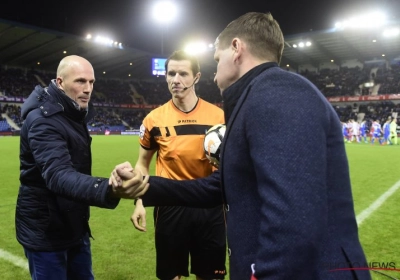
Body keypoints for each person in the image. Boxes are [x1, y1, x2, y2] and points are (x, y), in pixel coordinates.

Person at [112, 12, 371, 280]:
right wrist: (146, 188)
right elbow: (222, 185)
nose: (214, 75)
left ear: (236, 49)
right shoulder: (258, 96)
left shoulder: (278, 95)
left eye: (217, 59)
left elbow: (295, 220)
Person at [16, 55, 148, 280]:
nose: (88, 88)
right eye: (80, 81)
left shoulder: (72, 113)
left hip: (74, 226)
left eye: (92, 82)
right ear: (60, 82)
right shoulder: (43, 120)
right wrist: (107, 188)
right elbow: (58, 175)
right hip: (46, 231)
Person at [131, 50, 226, 280]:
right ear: (165, 77)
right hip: (170, 205)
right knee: (170, 276)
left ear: (196, 77)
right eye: (171, 73)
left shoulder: (220, 117)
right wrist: (139, 200)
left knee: (211, 276)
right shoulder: (154, 119)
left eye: (183, 73)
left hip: (210, 205)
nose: (176, 79)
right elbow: (142, 164)